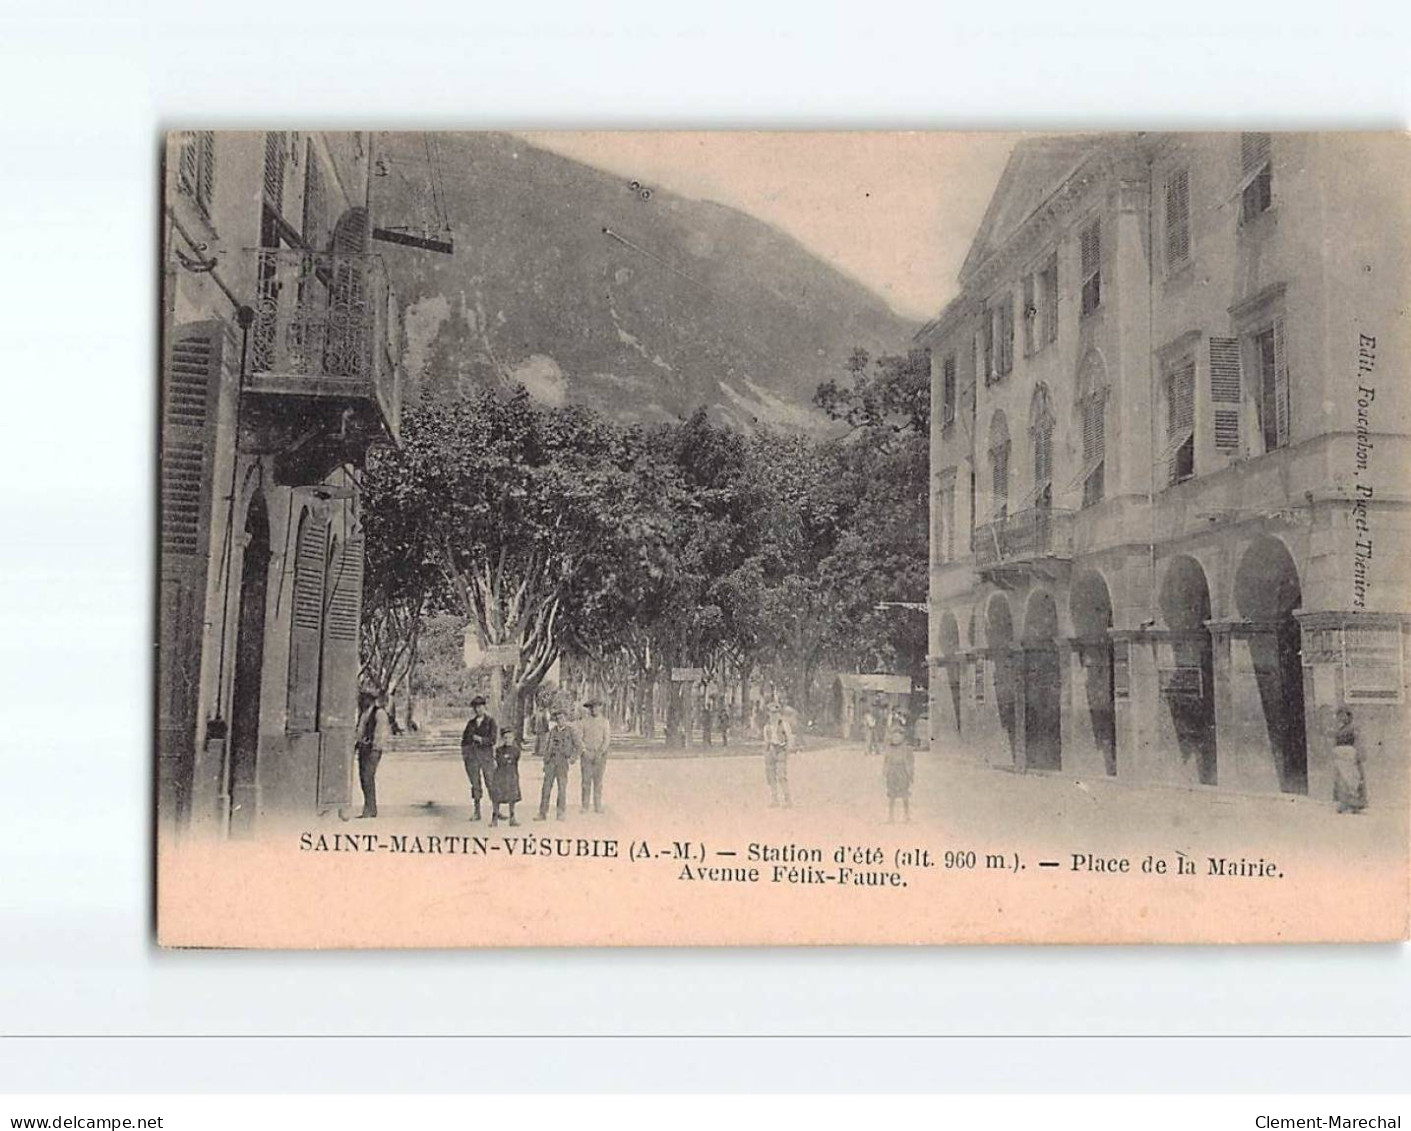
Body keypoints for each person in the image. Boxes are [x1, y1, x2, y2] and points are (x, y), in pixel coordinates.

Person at [536, 706, 582, 821]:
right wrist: (545, 762)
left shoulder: (571, 731)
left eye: (561, 718)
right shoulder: (552, 731)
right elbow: (547, 747)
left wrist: (572, 758)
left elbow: (579, 747)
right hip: (551, 763)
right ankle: (542, 813)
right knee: (546, 788)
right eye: (557, 718)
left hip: (562, 763)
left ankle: (560, 812)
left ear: (566, 718)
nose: (559, 720)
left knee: (562, 788)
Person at [460, 695, 497, 822]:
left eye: (480, 707)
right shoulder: (470, 723)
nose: (478, 709)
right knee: (475, 785)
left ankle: (496, 811)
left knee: (491, 783)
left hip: (486, 757)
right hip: (473, 758)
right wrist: (465, 754)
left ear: (484, 707)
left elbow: (493, 739)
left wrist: (480, 739)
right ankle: (477, 812)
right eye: (476, 707)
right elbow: (464, 741)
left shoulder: (491, 722)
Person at [355, 692, 392, 819]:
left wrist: (375, 747)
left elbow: (381, 732)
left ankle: (370, 809)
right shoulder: (364, 714)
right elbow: (359, 731)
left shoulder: (379, 713)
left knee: (368, 777)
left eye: (364, 699)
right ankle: (368, 807)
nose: (361, 702)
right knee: (363, 778)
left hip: (372, 750)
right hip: (363, 749)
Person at [1332, 706, 1367, 814]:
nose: (1342, 718)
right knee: (1342, 780)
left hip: (1349, 754)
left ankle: (1355, 805)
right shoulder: (1340, 729)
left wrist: (1358, 754)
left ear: (1349, 716)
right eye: (1340, 715)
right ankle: (1344, 803)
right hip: (1340, 756)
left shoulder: (1353, 728)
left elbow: (1357, 741)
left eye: (1344, 715)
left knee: (1352, 779)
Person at [579, 697, 611, 813]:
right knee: (585, 781)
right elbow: (579, 739)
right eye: (591, 708)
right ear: (588, 709)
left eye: (596, 707)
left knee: (598, 782)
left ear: (600, 708)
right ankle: (585, 806)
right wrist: (584, 751)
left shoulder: (604, 722)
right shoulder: (583, 722)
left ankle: (598, 805)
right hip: (587, 754)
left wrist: (600, 752)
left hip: (600, 756)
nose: (594, 710)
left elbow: (606, 740)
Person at [884, 717, 915, 823]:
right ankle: (890, 816)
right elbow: (886, 760)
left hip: (902, 771)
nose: (895, 738)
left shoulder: (907, 749)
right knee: (891, 795)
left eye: (898, 736)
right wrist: (885, 771)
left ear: (902, 737)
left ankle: (906, 815)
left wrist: (910, 774)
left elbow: (910, 762)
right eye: (894, 736)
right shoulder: (889, 748)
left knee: (904, 794)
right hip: (892, 772)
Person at [762, 704, 793, 808]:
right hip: (771, 750)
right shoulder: (767, 727)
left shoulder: (784, 725)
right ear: (768, 714)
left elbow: (789, 738)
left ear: (779, 714)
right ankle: (775, 799)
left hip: (781, 750)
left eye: (776, 713)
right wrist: (766, 753)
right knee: (771, 776)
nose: (774, 715)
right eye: (771, 713)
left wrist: (787, 752)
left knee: (781, 776)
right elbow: (766, 741)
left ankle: (787, 800)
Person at [489, 731, 522, 827]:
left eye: (510, 737)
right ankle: (494, 819)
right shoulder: (499, 750)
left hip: (511, 775)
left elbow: (514, 759)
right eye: (505, 738)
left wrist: (507, 759)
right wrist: (507, 759)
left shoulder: (516, 750)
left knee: (512, 797)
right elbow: (500, 760)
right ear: (503, 739)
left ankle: (512, 818)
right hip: (500, 775)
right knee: (497, 797)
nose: (507, 740)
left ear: (513, 738)